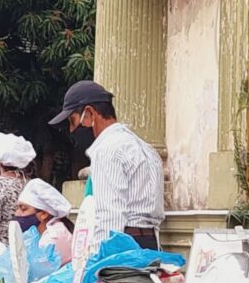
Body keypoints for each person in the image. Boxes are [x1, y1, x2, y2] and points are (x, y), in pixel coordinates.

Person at [49, 80, 165, 251]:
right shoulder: (146, 148)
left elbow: (110, 218)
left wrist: (99, 264)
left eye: (73, 121)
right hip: (150, 243)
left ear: (89, 113)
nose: (72, 130)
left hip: (123, 246)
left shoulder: (107, 150)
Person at [14, 179, 74, 265]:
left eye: (23, 209)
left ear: (44, 214)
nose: (17, 213)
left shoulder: (51, 239)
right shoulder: (52, 230)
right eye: (17, 208)